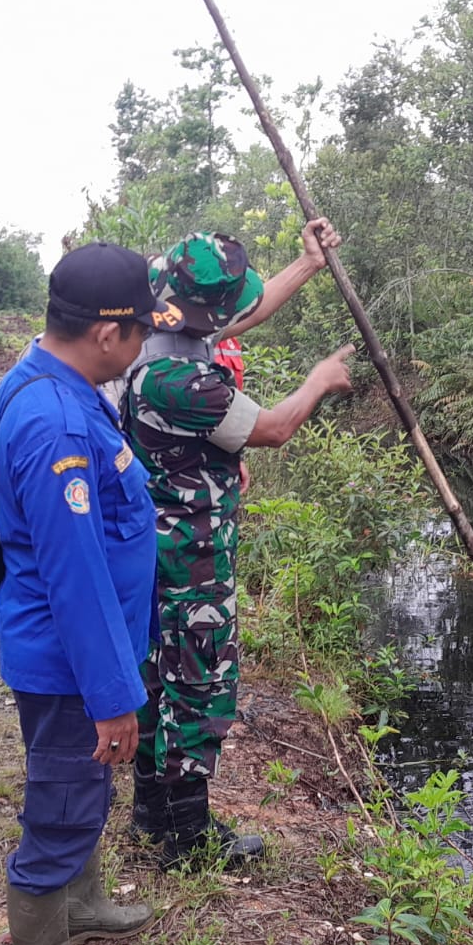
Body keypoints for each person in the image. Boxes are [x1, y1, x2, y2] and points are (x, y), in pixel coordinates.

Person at [126, 221, 354, 869]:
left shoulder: (152, 321)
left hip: (153, 540)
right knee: (200, 676)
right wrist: (318, 379)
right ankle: (187, 835)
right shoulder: (179, 380)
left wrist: (307, 265)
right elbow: (275, 428)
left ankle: (151, 812)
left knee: (158, 673)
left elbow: (233, 316)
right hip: (187, 551)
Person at [0, 242, 181, 945]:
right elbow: (75, 575)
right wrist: (112, 693)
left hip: (81, 652)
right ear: (108, 335)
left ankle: (83, 904)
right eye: (140, 332)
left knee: (84, 789)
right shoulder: (55, 422)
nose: (142, 347)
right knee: (62, 802)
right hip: (73, 663)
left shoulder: (54, 381)